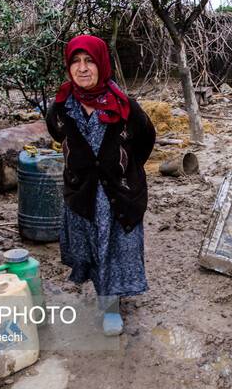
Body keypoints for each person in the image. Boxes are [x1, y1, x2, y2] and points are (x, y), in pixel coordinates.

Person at [46, 35, 155, 336]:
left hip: (116, 194)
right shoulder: (61, 107)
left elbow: (145, 141)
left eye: (89, 61)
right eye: (75, 62)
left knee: (114, 248)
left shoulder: (125, 107)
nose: (82, 68)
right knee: (92, 248)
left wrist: (122, 170)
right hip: (82, 193)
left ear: (102, 64)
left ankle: (110, 307)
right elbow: (58, 136)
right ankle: (105, 294)